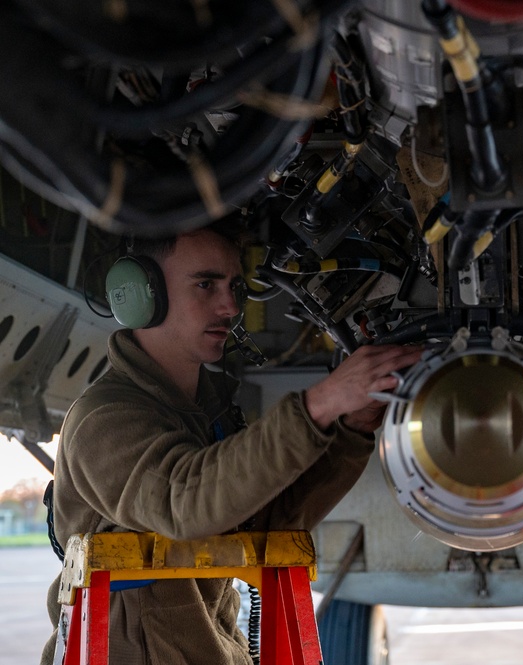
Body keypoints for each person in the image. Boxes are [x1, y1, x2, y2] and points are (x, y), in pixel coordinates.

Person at [40, 220, 423, 664]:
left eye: (234, 287)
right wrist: (320, 403)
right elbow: (183, 506)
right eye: (205, 284)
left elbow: (272, 523)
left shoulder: (208, 415)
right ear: (141, 294)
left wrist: (353, 429)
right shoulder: (104, 419)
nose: (229, 306)